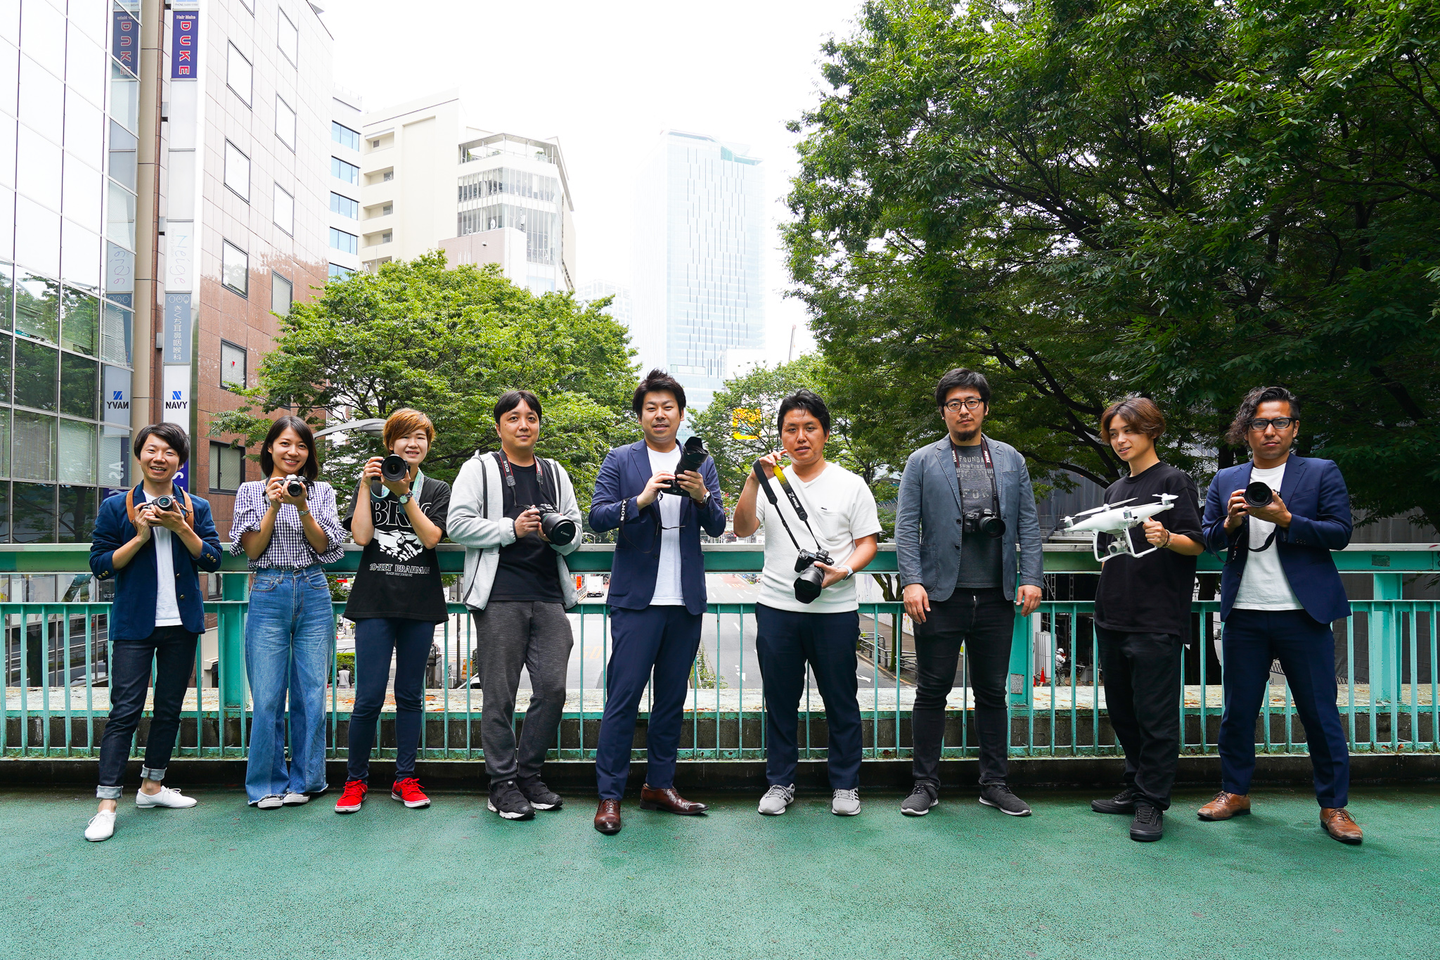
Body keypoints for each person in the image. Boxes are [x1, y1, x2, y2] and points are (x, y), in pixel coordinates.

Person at [1199, 386, 1361, 844]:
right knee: (1237, 712)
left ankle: (1334, 806)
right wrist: (1230, 523)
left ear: (1295, 428)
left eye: (1280, 422)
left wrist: (1287, 520)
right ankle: (1235, 792)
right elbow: (1208, 539)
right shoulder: (1226, 478)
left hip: (1303, 614)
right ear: (1245, 430)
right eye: (1260, 423)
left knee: (1320, 714)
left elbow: (1340, 533)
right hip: (1244, 613)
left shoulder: (1321, 471)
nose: (1270, 431)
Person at [894, 368, 1043, 818]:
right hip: (940, 595)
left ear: (985, 407)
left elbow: (1028, 523)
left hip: (998, 594)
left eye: (972, 401)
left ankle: (995, 783)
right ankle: (925, 784)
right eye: (955, 403)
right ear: (943, 411)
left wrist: (1032, 577)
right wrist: (911, 580)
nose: (964, 410)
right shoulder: (922, 460)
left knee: (993, 692)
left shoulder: (1011, 459)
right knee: (931, 691)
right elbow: (906, 526)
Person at [588, 370, 725, 835]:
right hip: (636, 601)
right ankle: (610, 796)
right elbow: (597, 516)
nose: (660, 414)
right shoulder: (620, 458)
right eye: (651, 408)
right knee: (622, 699)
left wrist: (701, 495)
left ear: (681, 414)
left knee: (671, 700)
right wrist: (641, 499)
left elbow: (717, 525)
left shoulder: (701, 462)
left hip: (684, 600)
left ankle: (659, 786)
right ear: (641, 415)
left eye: (668, 407)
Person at [732, 390, 881, 817]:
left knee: (842, 701)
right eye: (791, 429)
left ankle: (846, 785)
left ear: (825, 434)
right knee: (780, 702)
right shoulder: (770, 482)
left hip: (835, 610)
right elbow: (742, 529)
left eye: (809, 428)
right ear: (781, 436)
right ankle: (780, 783)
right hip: (776, 608)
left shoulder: (850, 484)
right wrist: (753, 479)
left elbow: (867, 543)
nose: (800, 437)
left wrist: (843, 571)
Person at [448, 391, 584, 820]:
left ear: (539, 424)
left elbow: (577, 530)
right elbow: (457, 524)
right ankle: (502, 783)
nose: (523, 424)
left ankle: (529, 774)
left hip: (548, 594)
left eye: (531, 417)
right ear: (499, 427)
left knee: (552, 689)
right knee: (499, 695)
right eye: (513, 417)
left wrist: (557, 536)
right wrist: (511, 528)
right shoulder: (479, 468)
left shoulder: (555, 472)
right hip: (499, 595)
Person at [84, 424, 223, 841]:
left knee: (168, 709)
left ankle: (152, 786)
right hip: (134, 623)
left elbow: (213, 560)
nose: (159, 458)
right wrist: (141, 535)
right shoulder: (116, 507)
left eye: (169, 452)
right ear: (139, 455)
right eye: (152, 450)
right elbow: (100, 565)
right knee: (124, 711)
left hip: (182, 623)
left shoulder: (194, 506)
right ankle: (107, 805)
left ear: (179, 461)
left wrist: (181, 527)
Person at [1087, 397, 1204, 842]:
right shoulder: (1114, 490)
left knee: (1155, 716)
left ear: (1152, 430)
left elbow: (1197, 542)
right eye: (1114, 433)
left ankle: (1152, 801)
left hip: (1157, 617)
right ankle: (1135, 788)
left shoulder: (1174, 481)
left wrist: (1167, 536)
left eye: (1129, 431)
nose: (1120, 440)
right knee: (1123, 712)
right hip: (1112, 613)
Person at [334, 409, 450, 815]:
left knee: (410, 696)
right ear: (390, 444)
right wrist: (368, 486)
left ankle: (405, 778)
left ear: (428, 445)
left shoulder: (436, 488)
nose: (412, 444)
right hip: (374, 602)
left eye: (421, 437)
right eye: (405, 437)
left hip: (419, 603)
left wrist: (404, 493)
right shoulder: (369, 482)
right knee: (367, 696)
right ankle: (355, 781)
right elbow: (361, 535)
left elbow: (431, 538)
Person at [231, 416, 345, 809]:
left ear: (309, 452)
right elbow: (252, 549)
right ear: (269, 448)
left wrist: (302, 508)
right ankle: (265, 784)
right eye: (284, 443)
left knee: (311, 693)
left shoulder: (321, 491)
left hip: (313, 589)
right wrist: (272, 506)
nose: (292, 452)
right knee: (266, 696)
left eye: (301, 445)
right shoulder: (250, 491)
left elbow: (324, 546)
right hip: (268, 589)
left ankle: (307, 780)